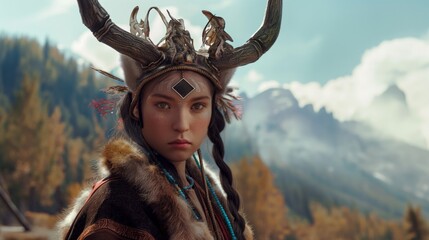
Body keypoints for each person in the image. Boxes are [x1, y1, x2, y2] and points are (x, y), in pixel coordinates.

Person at [58, 0, 282, 239]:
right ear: (137, 109)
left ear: (212, 111)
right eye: (163, 105)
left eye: (198, 106)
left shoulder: (208, 195)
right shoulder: (115, 203)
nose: (182, 124)